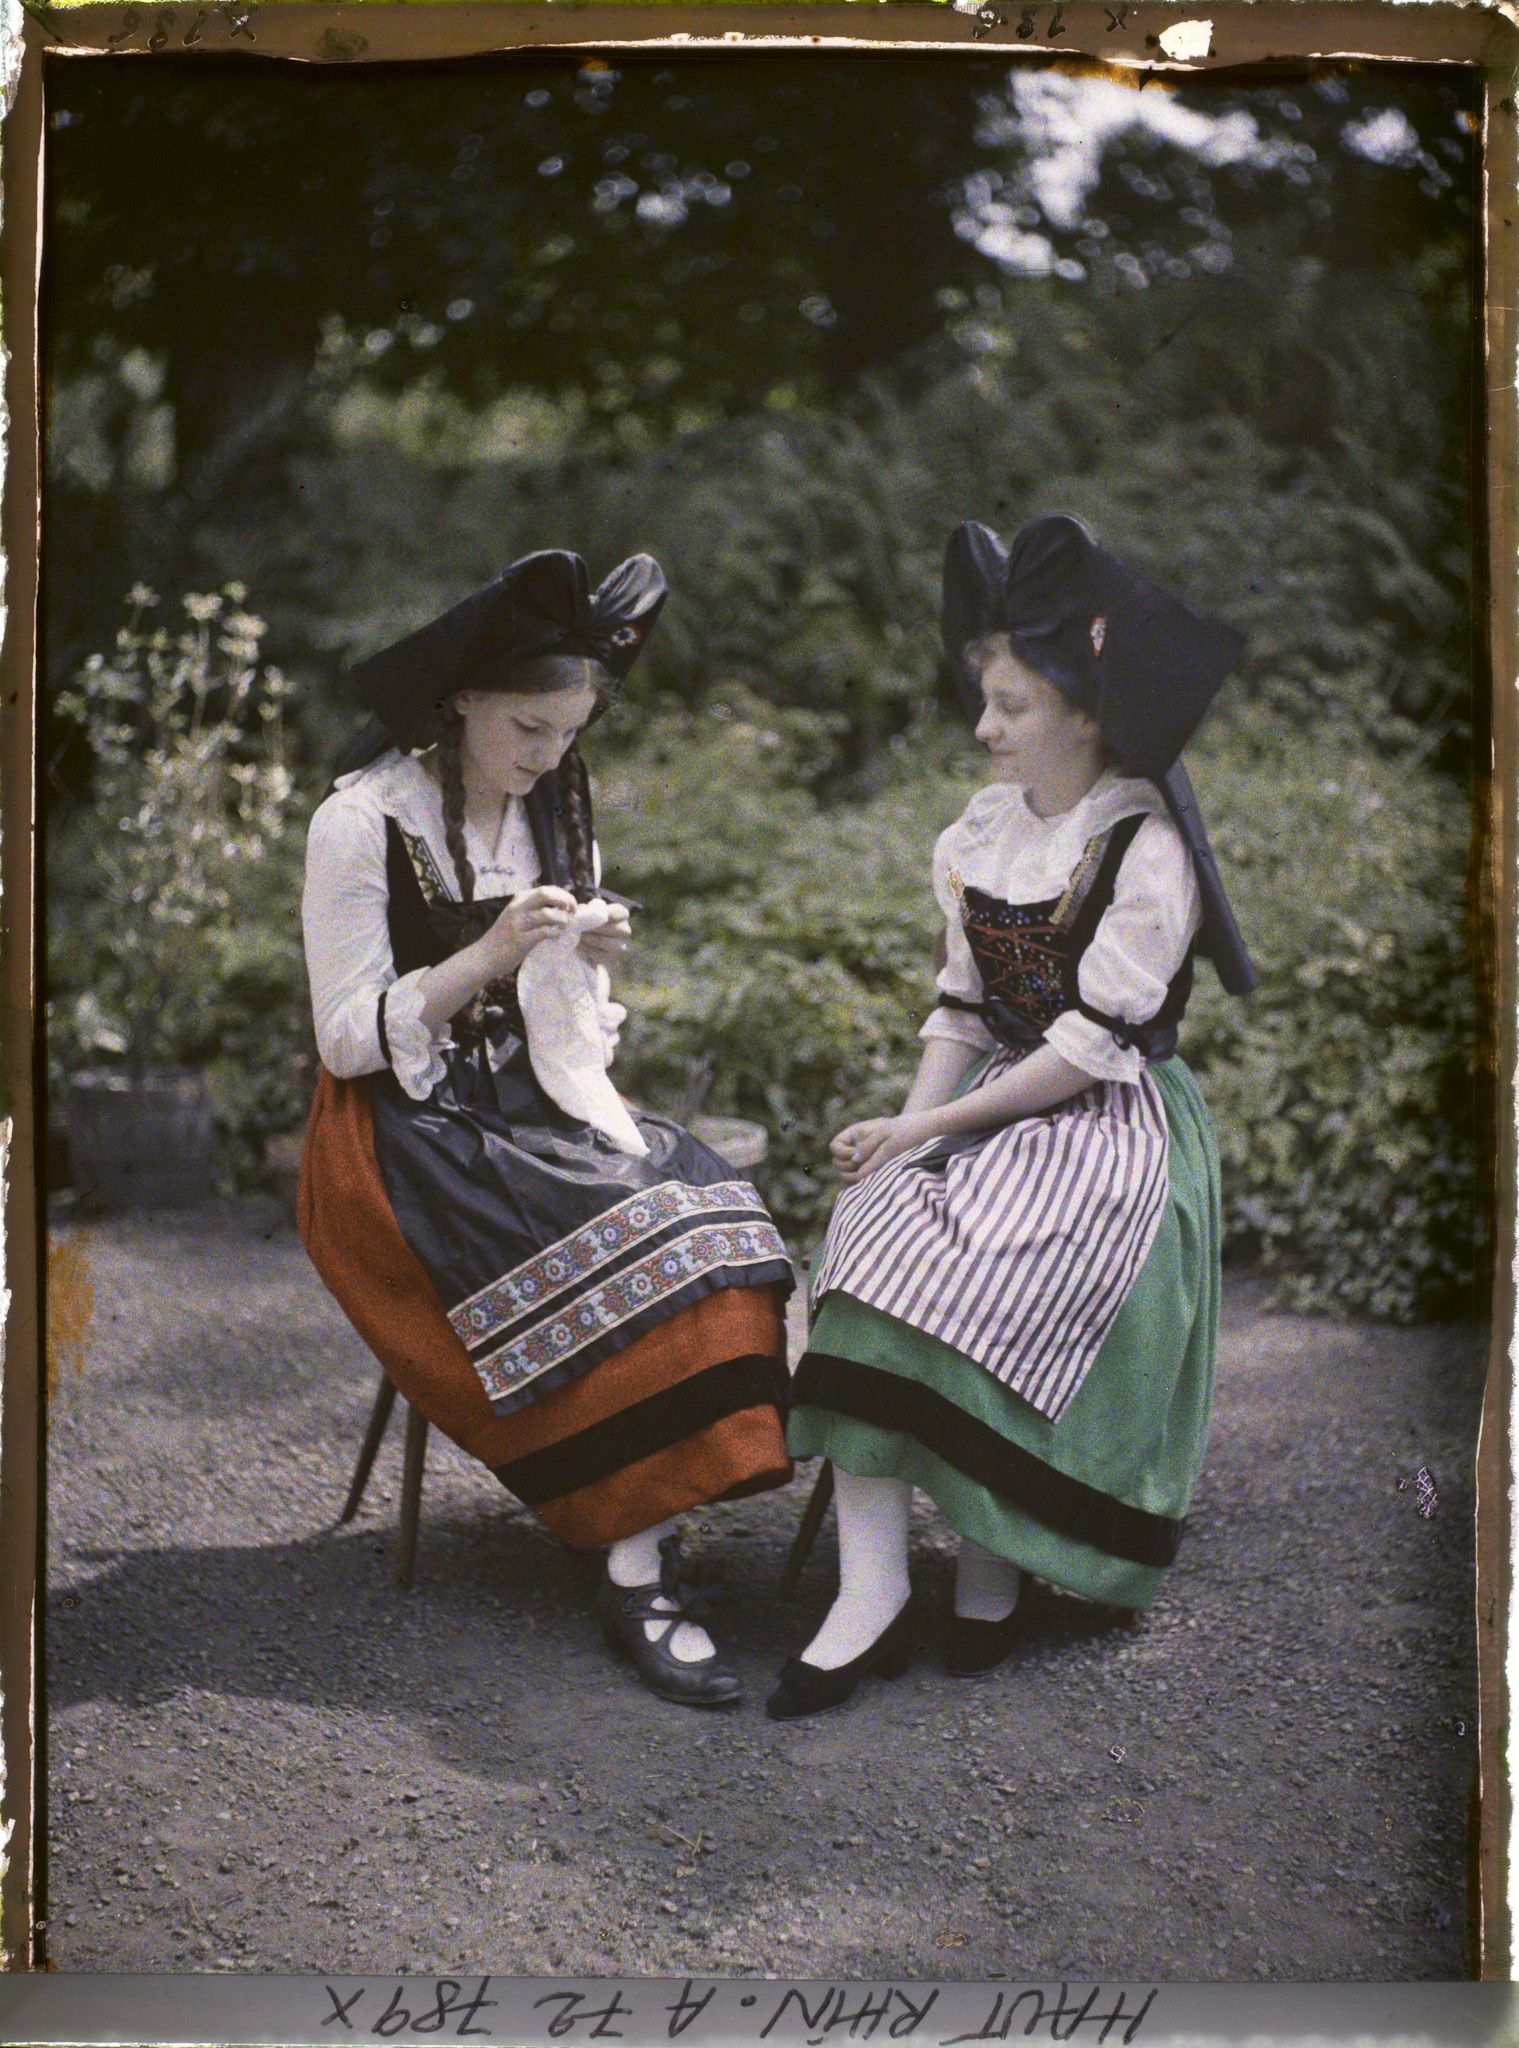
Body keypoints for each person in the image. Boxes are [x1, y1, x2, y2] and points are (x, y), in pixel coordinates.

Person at [771, 512, 1255, 1721]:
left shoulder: (1143, 845)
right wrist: (902, 1129)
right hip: (988, 1095)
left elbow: (1093, 1048)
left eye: (1008, 705)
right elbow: (958, 1003)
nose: (982, 727)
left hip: (1111, 1119)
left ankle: (989, 1558)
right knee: (872, 1237)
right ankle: (871, 1585)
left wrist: (936, 1133)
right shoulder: (980, 834)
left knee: (1005, 1262)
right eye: (984, 702)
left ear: (1083, 716)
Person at [298, 548, 795, 1709]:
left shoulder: (555, 806)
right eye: (528, 726)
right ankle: (631, 1562)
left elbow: (561, 1012)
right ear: (461, 697)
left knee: (706, 1210)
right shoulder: (361, 821)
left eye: (568, 732)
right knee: (619, 1233)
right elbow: (343, 1040)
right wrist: (485, 954)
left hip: (533, 1093)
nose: (548, 755)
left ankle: (656, 1498)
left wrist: (581, 953)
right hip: (397, 1133)